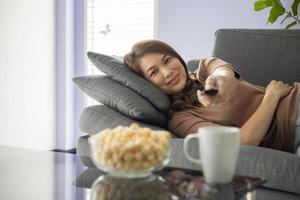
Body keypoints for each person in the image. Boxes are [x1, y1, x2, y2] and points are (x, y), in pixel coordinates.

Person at [123, 39, 300, 154]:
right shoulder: (181, 119)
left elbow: (224, 72)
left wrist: (219, 81)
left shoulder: (205, 67)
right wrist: (272, 96)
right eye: (154, 72)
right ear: (147, 83)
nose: (167, 72)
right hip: (293, 128)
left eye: (168, 60)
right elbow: (242, 142)